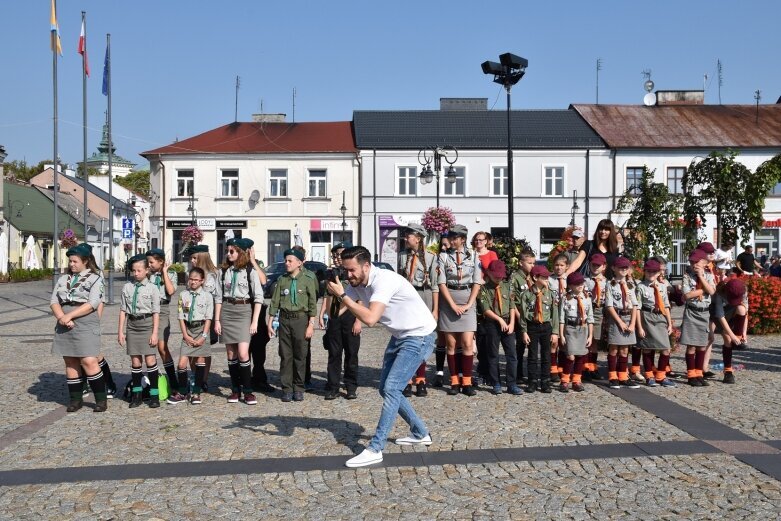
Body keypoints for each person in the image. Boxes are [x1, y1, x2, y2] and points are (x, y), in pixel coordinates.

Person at [325, 246, 437, 468]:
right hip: (400, 336)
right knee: (386, 388)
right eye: (345, 271)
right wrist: (333, 293)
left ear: (366, 266)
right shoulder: (358, 283)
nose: (349, 275)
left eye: (352, 270)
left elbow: (370, 319)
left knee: (393, 388)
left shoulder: (383, 281)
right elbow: (335, 314)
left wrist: (344, 295)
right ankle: (420, 433)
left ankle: (376, 448)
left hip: (419, 336)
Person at [50, 243, 109, 413]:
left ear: (85, 261)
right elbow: (54, 301)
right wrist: (62, 317)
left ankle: (100, 399)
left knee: (89, 360)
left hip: (84, 320)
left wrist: (70, 316)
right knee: (70, 360)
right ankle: (75, 400)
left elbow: (93, 303)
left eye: (75, 261)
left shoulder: (95, 278)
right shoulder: (63, 279)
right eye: (70, 261)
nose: (71, 264)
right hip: (64, 321)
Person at [214, 238, 263, 405]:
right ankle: (235, 390)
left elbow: (258, 298)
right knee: (230, 353)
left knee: (243, 353)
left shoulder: (250, 271)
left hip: (244, 311)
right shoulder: (222, 272)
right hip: (227, 310)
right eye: (227, 251)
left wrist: (254, 321)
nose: (228, 254)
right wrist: (217, 320)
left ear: (240, 253)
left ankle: (248, 391)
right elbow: (218, 297)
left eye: (232, 251)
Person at [437, 224, 483, 396]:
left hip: (467, 298)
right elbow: (441, 282)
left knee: (467, 344)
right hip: (449, 299)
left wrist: (469, 304)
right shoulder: (443, 257)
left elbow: (477, 282)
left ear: (462, 239)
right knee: (451, 344)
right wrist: (452, 305)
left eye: (455, 238)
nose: (451, 240)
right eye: (451, 237)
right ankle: (454, 380)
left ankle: (467, 381)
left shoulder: (474, 256)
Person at [267, 248, 318, 402]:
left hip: (301, 320)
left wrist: (311, 325)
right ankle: (287, 388)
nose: (286, 263)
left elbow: (312, 304)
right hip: (284, 319)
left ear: (299, 263)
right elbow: (274, 302)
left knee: (300, 355)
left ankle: (299, 387)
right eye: (286, 260)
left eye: (290, 261)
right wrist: (269, 323)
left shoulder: (308, 279)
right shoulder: (282, 280)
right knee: (285, 355)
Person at [397, 226, 438, 397]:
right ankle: (407, 380)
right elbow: (399, 280)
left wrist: (435, 309)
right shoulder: (402, 256)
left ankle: (421, 379)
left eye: (409, 236)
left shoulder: (430, 257)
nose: (406, 239)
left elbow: (435, 286)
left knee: (422, 340)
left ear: (418, 238)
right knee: (407, 340)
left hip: (424, 296)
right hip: (408, 298)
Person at [319, 242, 362, 400]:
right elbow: (327, 295)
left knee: (351, 354)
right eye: (336, 255)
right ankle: (333, 387)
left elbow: (360, 297)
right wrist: (322, 312)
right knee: (334, 353)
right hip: (335, 315)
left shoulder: (352, 273)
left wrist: (358, 321)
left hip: (351, 315)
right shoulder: (332, 273)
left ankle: (351, 386)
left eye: (341, 254)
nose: (338, 258)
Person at [118, 254, 161, 408]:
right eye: (133, 271)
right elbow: (123, 310)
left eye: (139, 270)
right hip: (132, 325)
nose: (135, 273)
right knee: (135, 361)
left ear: (147, 270)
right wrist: (120, 331)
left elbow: (156, 312)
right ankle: (137, 394)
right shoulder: (127, 287)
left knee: (150, 360)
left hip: (147, 324)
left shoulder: (153, 288)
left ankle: (154, 394)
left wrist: (155, 333)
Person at [476, 260, 522, 395]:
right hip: (492, 324)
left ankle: (511, 384)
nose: (499, 278)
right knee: (493, 354)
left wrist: (512, 323)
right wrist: (499, 319)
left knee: (512, 355)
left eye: (501, 276)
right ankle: (495, 382)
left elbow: (512, 305)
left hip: (508, 323)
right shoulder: (484, 289)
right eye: (496, 275)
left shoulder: (507, 286)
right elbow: (485, 310)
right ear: (488, 273)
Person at [145, 249, 181, 402]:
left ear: (161, 262)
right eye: (148, 262)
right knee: (148, 347)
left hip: (162, 309)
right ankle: (152, 384)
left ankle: (174, 383)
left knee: (162, 347)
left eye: (151, 262)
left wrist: (165, 272)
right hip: (148, 310)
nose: (149, 265)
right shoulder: (147, 274)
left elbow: (171, 291)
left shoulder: (171, 273)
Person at [518, 265, 559, 393]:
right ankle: (532, 381)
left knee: (546, 355)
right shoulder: (526, 295)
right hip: (532, 327)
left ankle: (545, 381)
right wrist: (524, 332)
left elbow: (555, 314)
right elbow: (523, 315)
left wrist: (555, 332)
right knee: (532, 355)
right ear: (535, 277)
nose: (547, 279)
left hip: (546, 326)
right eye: (544, 277)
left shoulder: (550, 294)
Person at [175, 267, 214, 404]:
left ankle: (196, 392)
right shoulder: (183, 295)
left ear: (202, 281)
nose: (193, 282)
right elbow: (181, 316)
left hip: (201, 329)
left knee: (200, 361)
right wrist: (185, 335)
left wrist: (203, 336)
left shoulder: (207, 296)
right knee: (181, 364)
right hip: (189, 330)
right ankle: (183, 391)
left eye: (196, 280)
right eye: (191, 279)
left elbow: (209, 317)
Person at [636, 259, 676, 388]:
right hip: (647, 317)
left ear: (659, 272)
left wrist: (669, 323)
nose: (651, 274)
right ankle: (649, 376)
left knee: (666, 348)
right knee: (647, 347)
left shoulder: (663, 286)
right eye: (648, 271)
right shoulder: (641, 287)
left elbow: (666, 306)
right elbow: (637, 308)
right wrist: (639, 326)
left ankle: (661, 375)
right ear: (644, 272)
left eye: (654, 271)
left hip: (660, 318)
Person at [680, 249, 716, 387]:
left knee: (702, 345)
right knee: (691, 346)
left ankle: (699, 373)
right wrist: (704, 290)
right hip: (692, 312)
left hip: (704, 312)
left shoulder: (708, 275)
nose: (693, 264)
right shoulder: (687, 276)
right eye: (691, 261)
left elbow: (712, 291)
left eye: (696, 262)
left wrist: (701, 277)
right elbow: (687, 295)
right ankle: (691, 375)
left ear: (704, 262)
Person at [604, 256, 640, 389]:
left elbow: (635, 305)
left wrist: (632, 323)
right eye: (621, 267)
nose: (624, 269)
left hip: (628, 318)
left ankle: (623, 376)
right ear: (613, 268)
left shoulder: (630, 285)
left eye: (626, 267)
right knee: (614, 348)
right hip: (616, 318)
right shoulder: (610, 284)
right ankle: (613, 376)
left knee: (625, 349)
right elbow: (609, 306)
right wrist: (619, 322)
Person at [188, 245, 220, 390]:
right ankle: (195, 374)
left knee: (204, 349)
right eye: (191, 258)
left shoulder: (213, 275)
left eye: (195, 258)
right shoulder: (192, 274)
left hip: (207, 315)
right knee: (190, 347)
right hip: (192, 316)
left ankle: (203, 379)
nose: (192, 261)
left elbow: (216, 297)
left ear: (201, 257)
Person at [558, 272, 593, 393]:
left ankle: (577, 380)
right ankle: (565, 380)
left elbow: (590, 318)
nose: (580, 286)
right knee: (570, 355)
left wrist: (590, 335)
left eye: (581, 283)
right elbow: (561, 318)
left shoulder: (587, 298)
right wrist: (561, 335)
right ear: (570, 286)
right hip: (570, 329)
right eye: (576, 284)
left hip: (582, 329)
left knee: (580, 355)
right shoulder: (566, 298)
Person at [710, 278, 748, 384]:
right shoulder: (719, 294)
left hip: (732, 312)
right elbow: (720, 317)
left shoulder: (743, 290)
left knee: (741, 309)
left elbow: (745, 312)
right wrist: (732, 336)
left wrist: (743, 333)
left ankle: (738, 340)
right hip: (718, 315)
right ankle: (728, 372)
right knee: (727, 338)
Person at [511, 249, 536, 384]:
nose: (532, 265)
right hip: (520, 315)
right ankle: (518, 374)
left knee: (531, 347)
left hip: (532, 316)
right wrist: (519, 317)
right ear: (521, 263)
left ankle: (531, 374)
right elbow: (512, 299)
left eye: (533, 263)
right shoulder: (515, 277)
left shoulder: (533, 277)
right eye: (529, 263)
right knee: (519, 347)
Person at [583, 253, 607, 380]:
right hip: (586, 310)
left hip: (599, 311)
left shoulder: (608, 282)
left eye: (599, 265)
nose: (596, 267)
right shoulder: (585, 280)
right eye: (593, 265)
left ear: (604, 267)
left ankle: (593, 366)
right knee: (585, 339)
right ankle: (584, 367)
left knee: (595, 340)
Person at [432, 236, 451, 387]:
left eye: (447, 244)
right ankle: (439, 372)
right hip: (442, 302)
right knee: (441, 339)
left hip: (455, 300)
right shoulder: (436, 259)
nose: (444, 247)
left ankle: (456, 372)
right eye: (442, 245)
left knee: (455, 340)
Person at [548, 253, 569, 383]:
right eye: (556, 265)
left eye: (562, 265)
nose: (559, 268)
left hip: (566, 314)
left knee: (563, 342)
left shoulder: (570, 279)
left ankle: (562, 368)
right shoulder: (549, 279)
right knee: (554, 342)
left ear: (566, 267)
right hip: (553, 314)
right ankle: (553, 368)